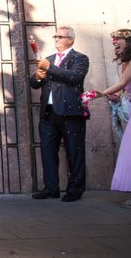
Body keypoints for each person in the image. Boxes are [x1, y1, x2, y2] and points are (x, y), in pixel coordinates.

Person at [30, 26, 89, 202]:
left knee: (74, 151)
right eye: (55, 36)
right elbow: (34, 84)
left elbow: (74, 77)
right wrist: (39, 76)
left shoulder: (80, 58)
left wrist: (50, 68)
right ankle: (51, 188)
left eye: (60, 36)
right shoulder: (48, 59)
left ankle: (75, 189)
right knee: (48, 152)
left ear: (70, 40)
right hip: (48, 114)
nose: (56, 39)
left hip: (70, 113)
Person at [92, 29, 131, 208]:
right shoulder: (126, 62)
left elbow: (122, 83)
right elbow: (126, 86)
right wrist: (117, 95)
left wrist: (102, 93)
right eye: (114, 40)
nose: (114, 42)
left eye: (119, 39)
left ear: (129, 42)